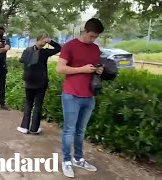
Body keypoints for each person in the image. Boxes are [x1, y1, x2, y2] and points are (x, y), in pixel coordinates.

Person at [56, 18, 104, 178]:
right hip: (71, 94)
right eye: (91, 36)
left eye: (95, 37)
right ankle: (67, 161)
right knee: (69, 129)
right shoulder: (69, 46)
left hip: (89, 95)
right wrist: (82, 69)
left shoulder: (96, 49)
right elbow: (60, 68)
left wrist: (98, 70)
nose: (93, 39)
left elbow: (95, 68)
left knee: (81, 131)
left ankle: (78, 158)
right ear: (84, 31)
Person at [17, 33, 61, 134]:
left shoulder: (28, 50)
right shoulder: (44, 52)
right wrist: (51, 42)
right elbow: (59, 48)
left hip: (29, 81)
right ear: (42, 40)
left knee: (28, 103)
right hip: (41, 82)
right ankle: (34, 129)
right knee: (38, 104)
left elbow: (22, 61)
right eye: (45, 40)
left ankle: (24, 127)